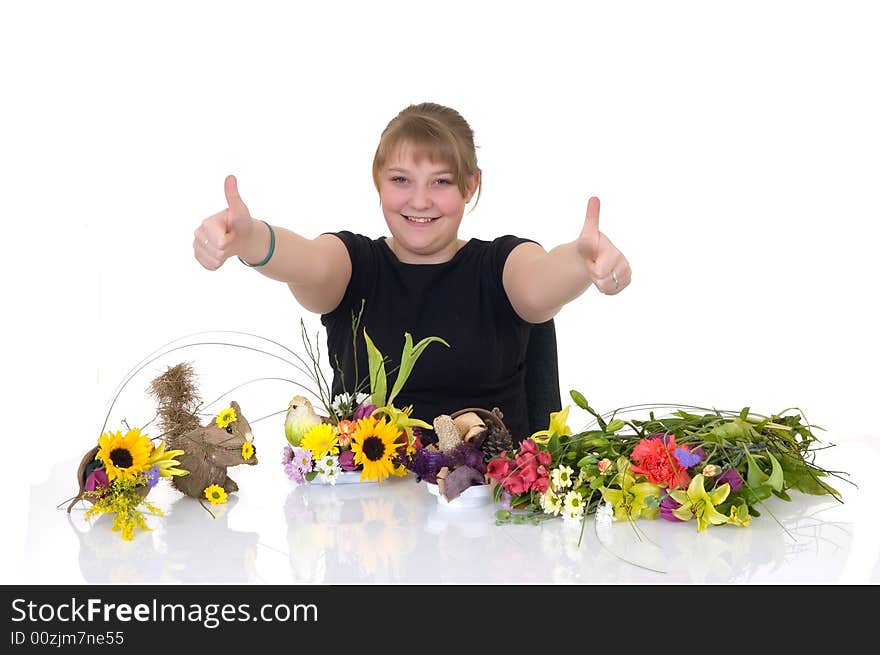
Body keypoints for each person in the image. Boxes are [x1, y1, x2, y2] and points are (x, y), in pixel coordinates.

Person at [193, 102, 631, 444]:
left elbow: (538, 288)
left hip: (495, 527)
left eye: (440, 182)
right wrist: (250, 242)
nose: (419, 201)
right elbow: (308, 261)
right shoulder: (354, 264)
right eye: (401, 180)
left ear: (470, 185)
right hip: (365, 522)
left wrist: (581, 261)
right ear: (378, 181)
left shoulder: (500, 265)